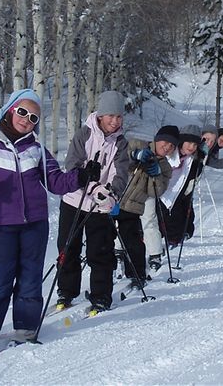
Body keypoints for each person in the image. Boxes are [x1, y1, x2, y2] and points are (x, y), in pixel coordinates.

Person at [0, 89, 99, 346]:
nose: (26, 120)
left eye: (34, 118)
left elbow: (56, 181)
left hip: (36, 224)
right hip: (4, 223)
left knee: (30, 276)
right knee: (0, 277)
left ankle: (25, 329)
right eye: (22, 112)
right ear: (10, 111)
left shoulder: (37, 149)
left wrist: (80, 176)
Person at [56, 91, 130, 314]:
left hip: (101, 205)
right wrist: (94, 189)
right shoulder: (84, 134)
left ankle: (101, 296)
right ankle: (66, 291)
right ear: (100, 116)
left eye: (119, 117)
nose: (114, 121)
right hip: (74, 200)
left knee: (100, 251)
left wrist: (111, 194)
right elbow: (73, 166)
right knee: (68, 247)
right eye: (110, 116)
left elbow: (121, 173)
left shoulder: (121, 143)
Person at [115, 125, 177, 285]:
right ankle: (111, 266)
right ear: (157, 139)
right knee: (107, 236)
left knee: (133, 241)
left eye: (172, 146)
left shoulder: (165, 168)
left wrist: (155, 175)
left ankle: (137, 274)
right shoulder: (137, 144)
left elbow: (155, 192)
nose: (167, 147)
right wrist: (134, 155)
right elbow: (117, 159)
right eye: (165, 142)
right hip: (114, 197)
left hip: (134, 207)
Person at [158, 124, 204, 246]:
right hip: (159, 193)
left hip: (175, 194)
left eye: (195, 145)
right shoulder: (170, 152)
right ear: (182, 141)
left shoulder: (191, 160)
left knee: (176, 221)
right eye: (189, 143)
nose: (191, 147)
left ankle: (171, 241)